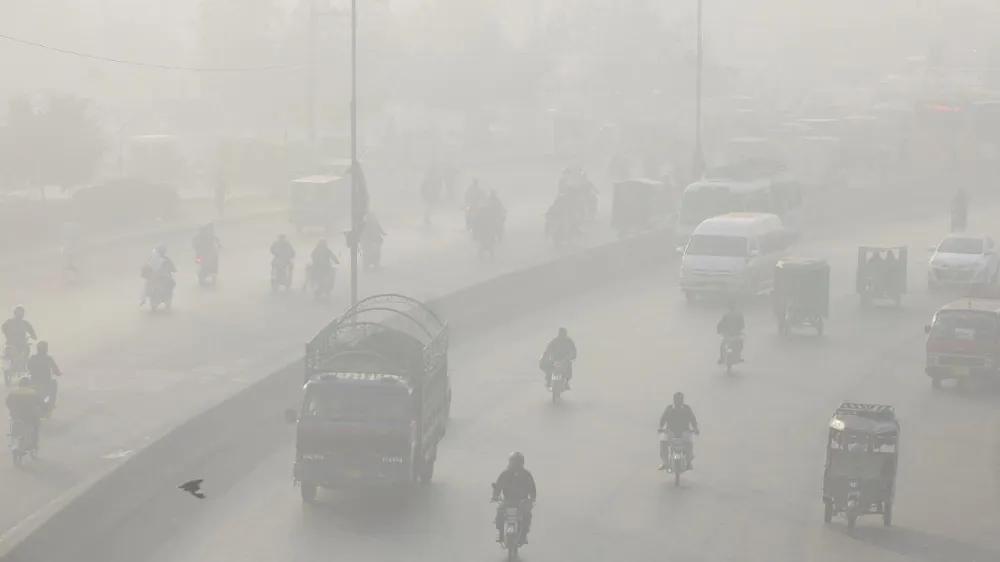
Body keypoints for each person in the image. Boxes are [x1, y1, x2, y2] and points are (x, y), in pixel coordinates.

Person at [491, 452, 537, 544]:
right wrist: (495, 496)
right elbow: (498, 486)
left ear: (522, 462)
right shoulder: (505, 473)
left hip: (522, 502)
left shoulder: (526, 474)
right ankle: (500, 534)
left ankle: (523, 535)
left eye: (518, 462)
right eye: (514, 461)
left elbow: (532, 487)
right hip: (508, 501)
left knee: (526, 515)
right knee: (500, 513)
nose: (516, 464)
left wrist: (532, 498)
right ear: (510, 462)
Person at [658, 392, 699, 470]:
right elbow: (663, 419)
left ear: (682, 400)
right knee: (663, 440)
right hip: (670, 432)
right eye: (677, 399)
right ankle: (665, 462)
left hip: (684, 431)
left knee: (689, 443)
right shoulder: (669, 408)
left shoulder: (687, 409)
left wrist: (695, 428)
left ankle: (689, 462)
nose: (679, 401)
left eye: (680, 399)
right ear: (674, 400)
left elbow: (692, 419)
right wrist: (660, 427)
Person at [6, 376, 42, 449]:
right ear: (29, 384)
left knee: (13, 425)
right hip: (30, 415)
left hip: (15, 414)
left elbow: (7, 401)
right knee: (35, 427)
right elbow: (40, 403)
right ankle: (34, 444)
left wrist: (11, 408)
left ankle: (13, 439)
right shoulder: (33, 391)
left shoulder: (13, 391)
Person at [27, 341, 62, 408]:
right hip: (46, 382)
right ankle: (51, 403)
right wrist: (59, 373)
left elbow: (28, 367)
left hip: (34, 381)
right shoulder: (48, 359)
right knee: (54, 383)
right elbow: (55, 370)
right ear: (46, 349)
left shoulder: (33, 358)